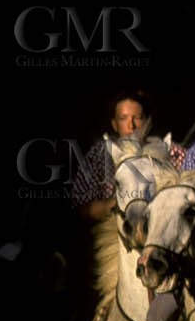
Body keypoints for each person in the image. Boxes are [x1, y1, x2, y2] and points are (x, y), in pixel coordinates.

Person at [70, 91, 185, 223]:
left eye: (137, 118)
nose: (131, 126)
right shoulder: (99, 155)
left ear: (148, 121)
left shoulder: (171, 151)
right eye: (123, 118)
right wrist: (115, 204)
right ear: (114, 124)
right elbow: (82, 208)